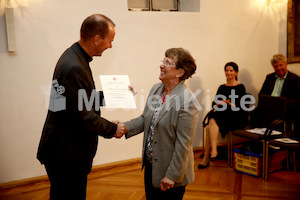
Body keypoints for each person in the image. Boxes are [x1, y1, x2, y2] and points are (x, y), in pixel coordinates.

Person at [37, 14, 126, 200]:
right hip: (65, 154)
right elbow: (83, 118)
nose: (110, 46)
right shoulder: (74, 66)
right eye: (110, 41)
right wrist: (113, 129)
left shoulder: (75, 55)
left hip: (65, 150)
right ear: (96, 39)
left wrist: (117, 94)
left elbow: (81, 98)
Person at [122, 48, 199, 200]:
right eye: (163, 61)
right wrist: (124, 127)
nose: (162, 65)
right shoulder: (157, 89)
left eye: (168, 63)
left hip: (171, 172)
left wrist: (172, 175)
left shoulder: (187, 100)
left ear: (180, 72)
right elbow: (146, 119)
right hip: (152, 166)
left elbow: (184, 143)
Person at [198, 62, 247, 169]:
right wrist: (219, 103)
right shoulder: (222, 87)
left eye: (231, 70)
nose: (228, 73)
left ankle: (207, 157)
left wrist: (230, 104)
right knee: (210, 122)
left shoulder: (240, 87)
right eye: (226, 70)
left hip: (234, 117)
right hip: (221, 116)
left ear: (236, 72)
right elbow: (213, 104)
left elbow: (242, 107)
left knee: (208, 127)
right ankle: (213, 152)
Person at [259, 54, 300, 137]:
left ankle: (277, 140)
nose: (278, 68)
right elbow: (261, 94)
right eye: (275, 66)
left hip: (285, 108)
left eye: (281, 65)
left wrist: (282, 104)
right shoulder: (269, 77)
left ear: (286, 64)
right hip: (269, 106)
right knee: (256, 112)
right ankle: (260, 140)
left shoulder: (295, 79)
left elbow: (297, 99)